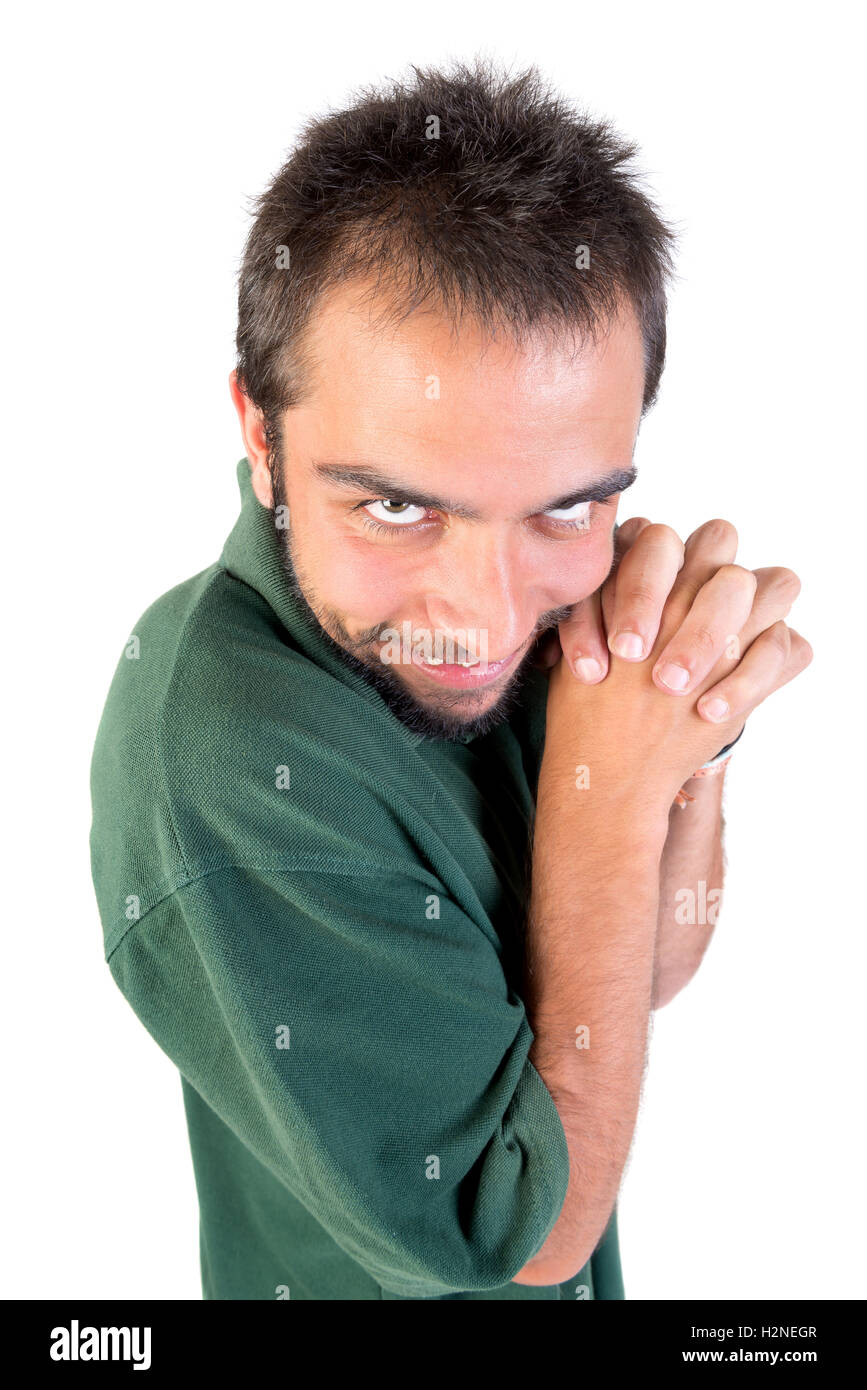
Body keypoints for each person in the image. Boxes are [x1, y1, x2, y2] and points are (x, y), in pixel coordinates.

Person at [89, 60, 812, 1300]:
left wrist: (685, 712)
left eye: (567, 508)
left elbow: (643, 972)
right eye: (396, 506)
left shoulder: (543, 625)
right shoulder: (223, 751)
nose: (483, 620)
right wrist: (610, 787)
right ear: (262, 435)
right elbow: (521, 1238)